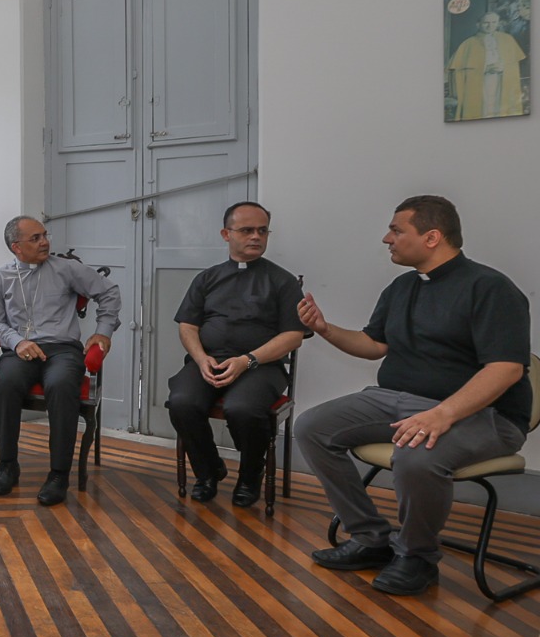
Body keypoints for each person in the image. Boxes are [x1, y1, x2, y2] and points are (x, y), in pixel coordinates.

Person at [296, 196, 531, 596]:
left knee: (416, 455)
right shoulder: (402, 286)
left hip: (484, 414)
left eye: (396, 230)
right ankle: (371, 538)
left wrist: (443, 414)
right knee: (312, 427)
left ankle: (417, 556)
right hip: (397, 398)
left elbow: (506, 369)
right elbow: (373, 344)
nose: (387, 238)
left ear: (432, 237)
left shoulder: (491, 288)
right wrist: (324, 328)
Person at [166, 202, 305, 507]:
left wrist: (248, 360)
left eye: (262, 230)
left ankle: (250, 474)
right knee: (181, 401)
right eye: (246, 230)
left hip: (260, 366)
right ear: (226, 234)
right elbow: (187, 325)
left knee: (243, 409)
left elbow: (294, 336)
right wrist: (201, 358)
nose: (256, 236)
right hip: (210, 362)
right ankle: (208, 470)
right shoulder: (207, 278)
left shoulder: (283, 282)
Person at [0, 216, 119, 506]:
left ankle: (59, 473)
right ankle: (8, 465)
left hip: (63, 349)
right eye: (35, 238)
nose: (45, 242)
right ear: (16, 247)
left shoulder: (67, 269)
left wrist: (103, 331)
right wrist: (17, 342)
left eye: (45, 235)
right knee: (6, 385)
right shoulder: (0, 277)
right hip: (20, 349)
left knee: (60, 385)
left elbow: (109, 292)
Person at [447, 12, 526, 121]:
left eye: (494, 22)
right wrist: (485, 69)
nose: (490, 25)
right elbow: (458, 71)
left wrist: (504, 68)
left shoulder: (508, 39)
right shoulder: (468, 43)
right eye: (486, 22)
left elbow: (514, 66)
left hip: (502, 81)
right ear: (478, 24)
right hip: (481, 83)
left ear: (498, 23)